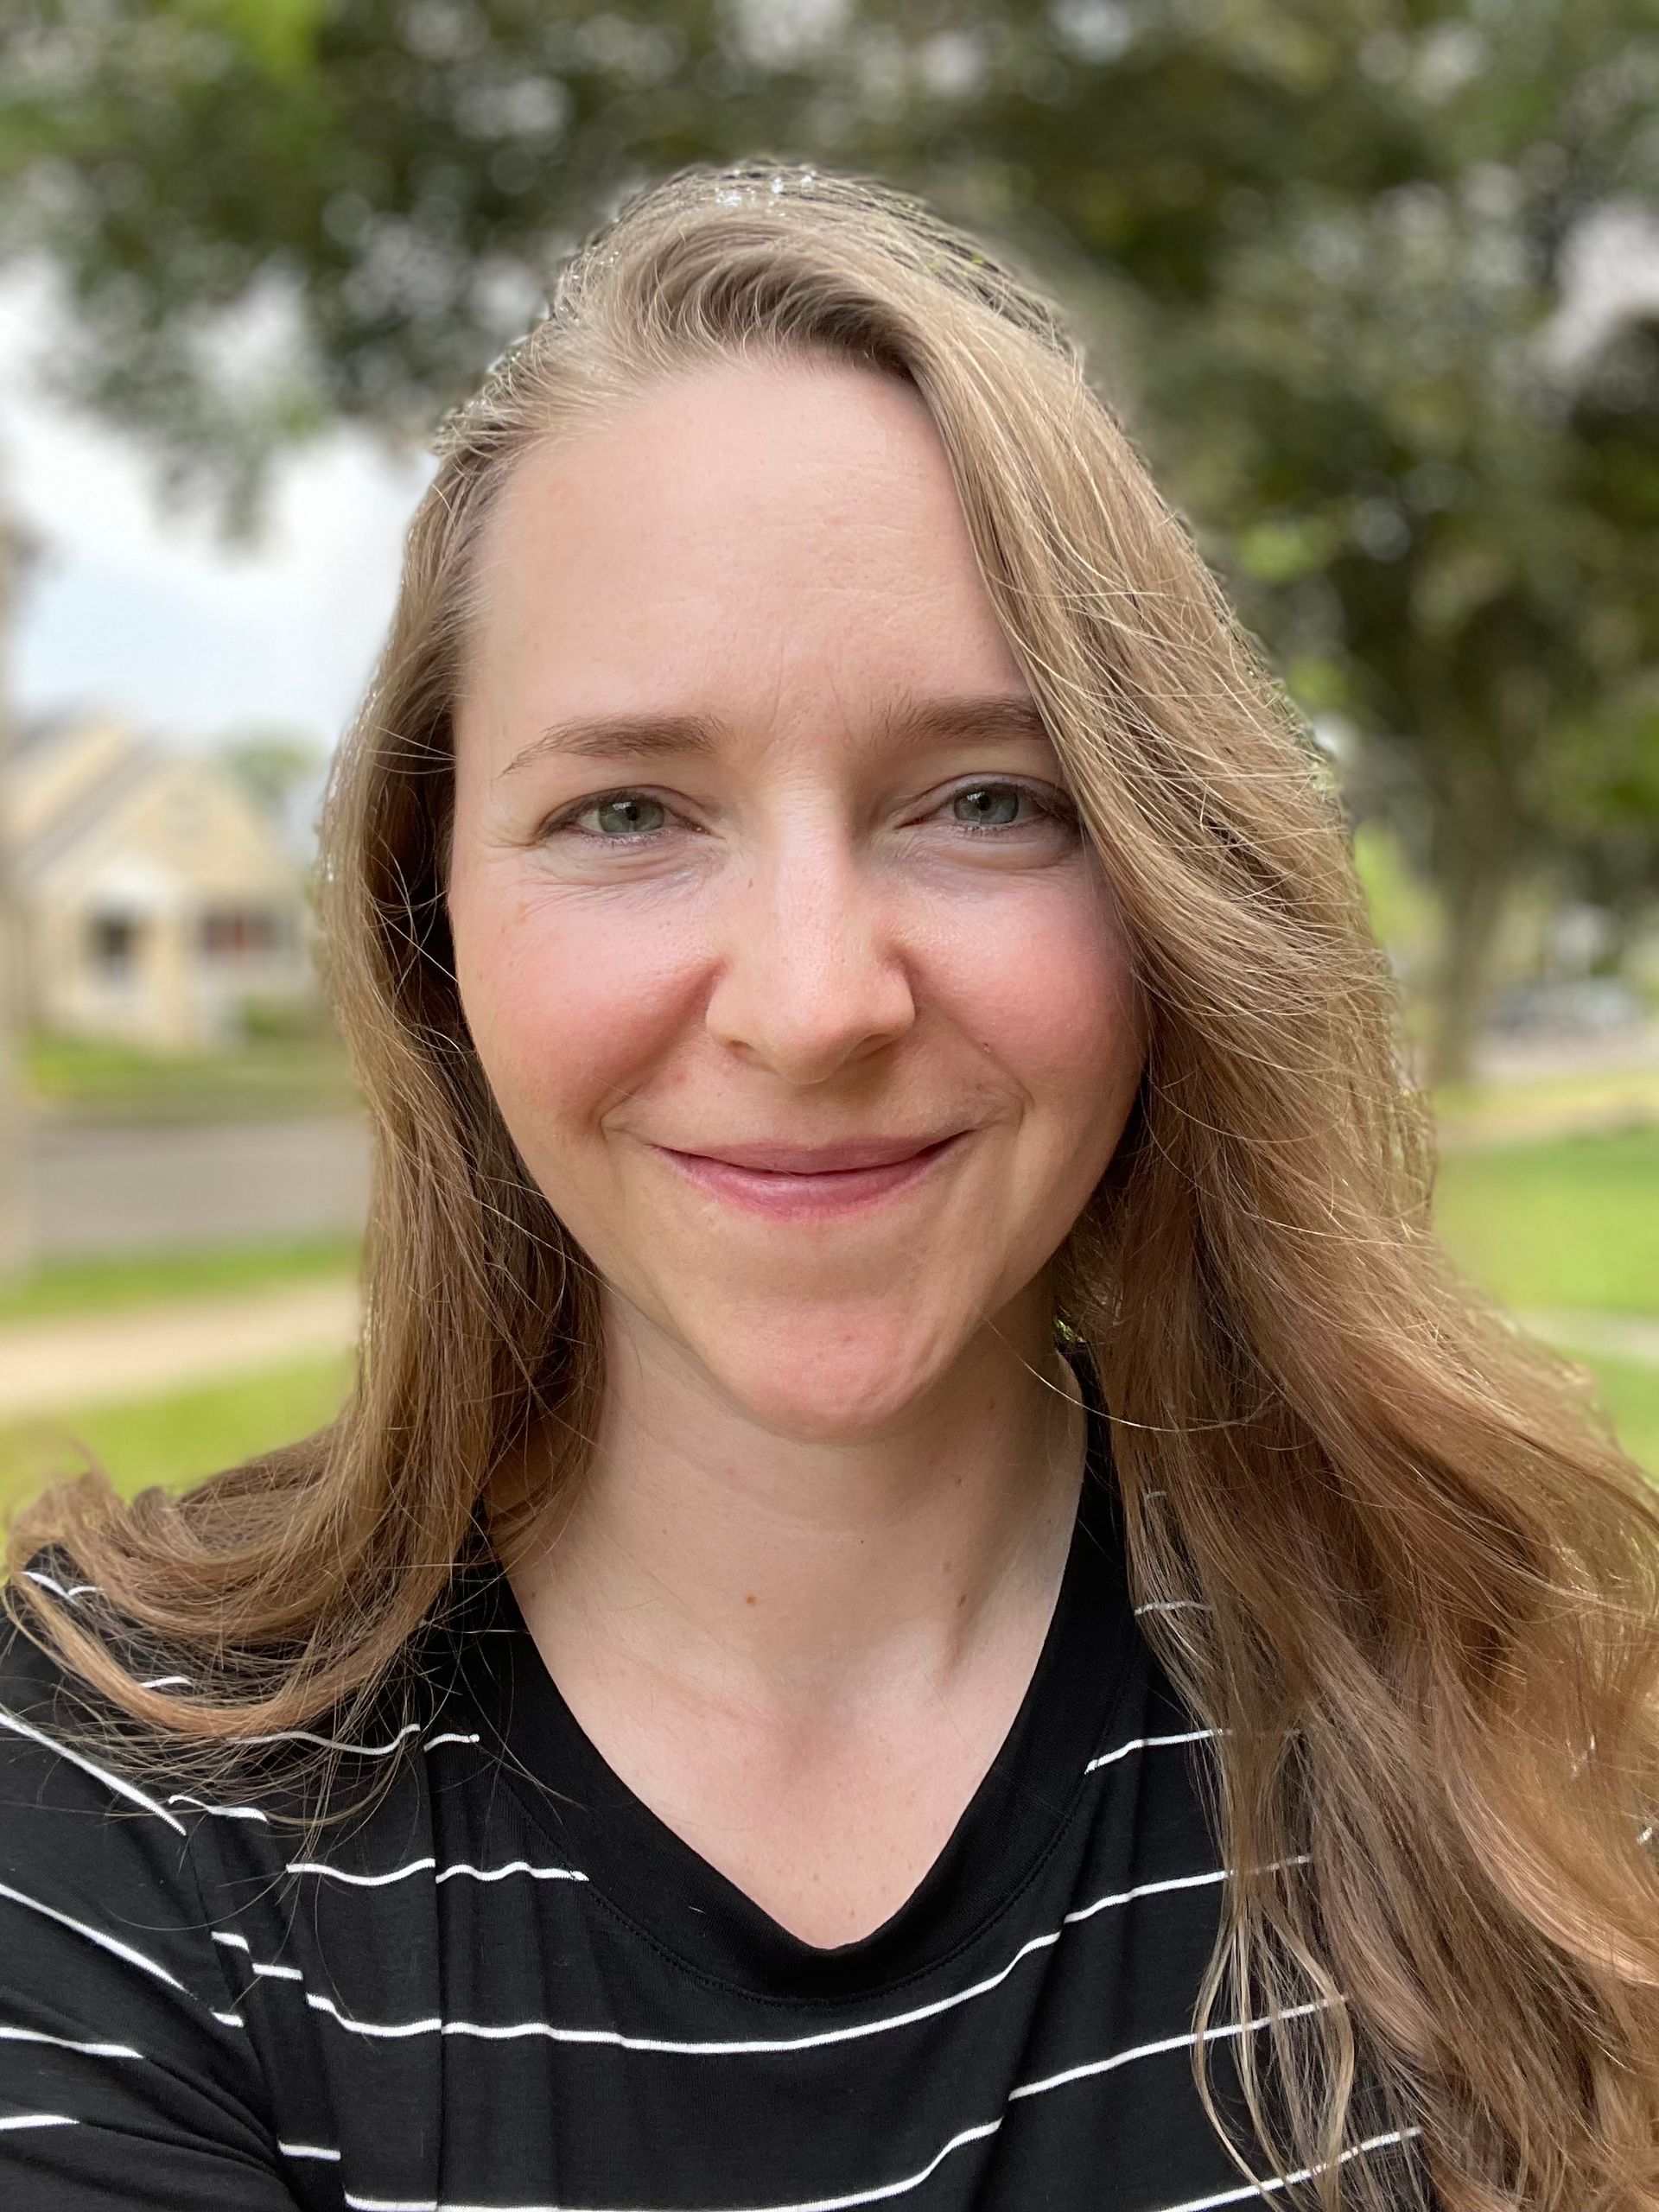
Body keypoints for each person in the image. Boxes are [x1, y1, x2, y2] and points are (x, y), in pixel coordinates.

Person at [2, 160, 1656, 2212]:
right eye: (628, 808)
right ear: (432, 912)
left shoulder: (1512, 1721)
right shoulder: (107, 1795)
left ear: (1165, 886)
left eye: (985, 798)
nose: (811, 1004)